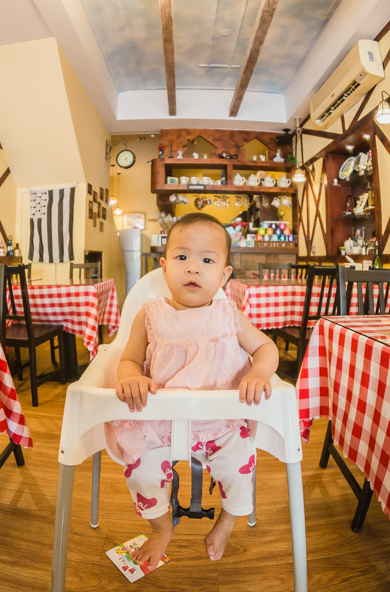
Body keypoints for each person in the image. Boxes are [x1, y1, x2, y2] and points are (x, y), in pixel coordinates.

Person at [113, 212, 279, 569]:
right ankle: (160, 528)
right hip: (160, 423)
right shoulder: (150, 314)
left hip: (220, 422)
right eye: (182, 257)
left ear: (223, 275)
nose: (193, 269)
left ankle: (226, 523)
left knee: (241, 468)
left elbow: (267, 348)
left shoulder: (229, 314)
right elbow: (128, 360)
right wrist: (131, 377)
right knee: (140, 471)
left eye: (207, 260)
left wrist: (260, 372)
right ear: (163, 266)